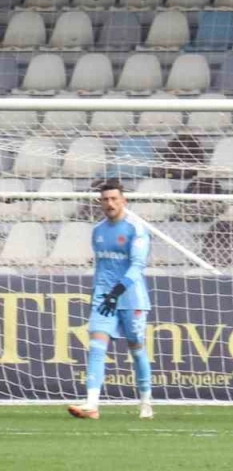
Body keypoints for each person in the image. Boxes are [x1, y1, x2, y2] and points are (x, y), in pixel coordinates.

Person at [68, 179, 154, 421]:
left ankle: (146, 402)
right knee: (97, 345)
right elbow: (102, 267)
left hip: (131, 297)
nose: (110, 203)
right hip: (104, 298)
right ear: (100, 202)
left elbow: (137, 266)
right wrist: (100, 293)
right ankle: (91, 404)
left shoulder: (136, 229)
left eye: (114, 198)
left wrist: (117, 292)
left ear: (124, 200)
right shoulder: (98, 231)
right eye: (105, 199)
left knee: (136, 349)